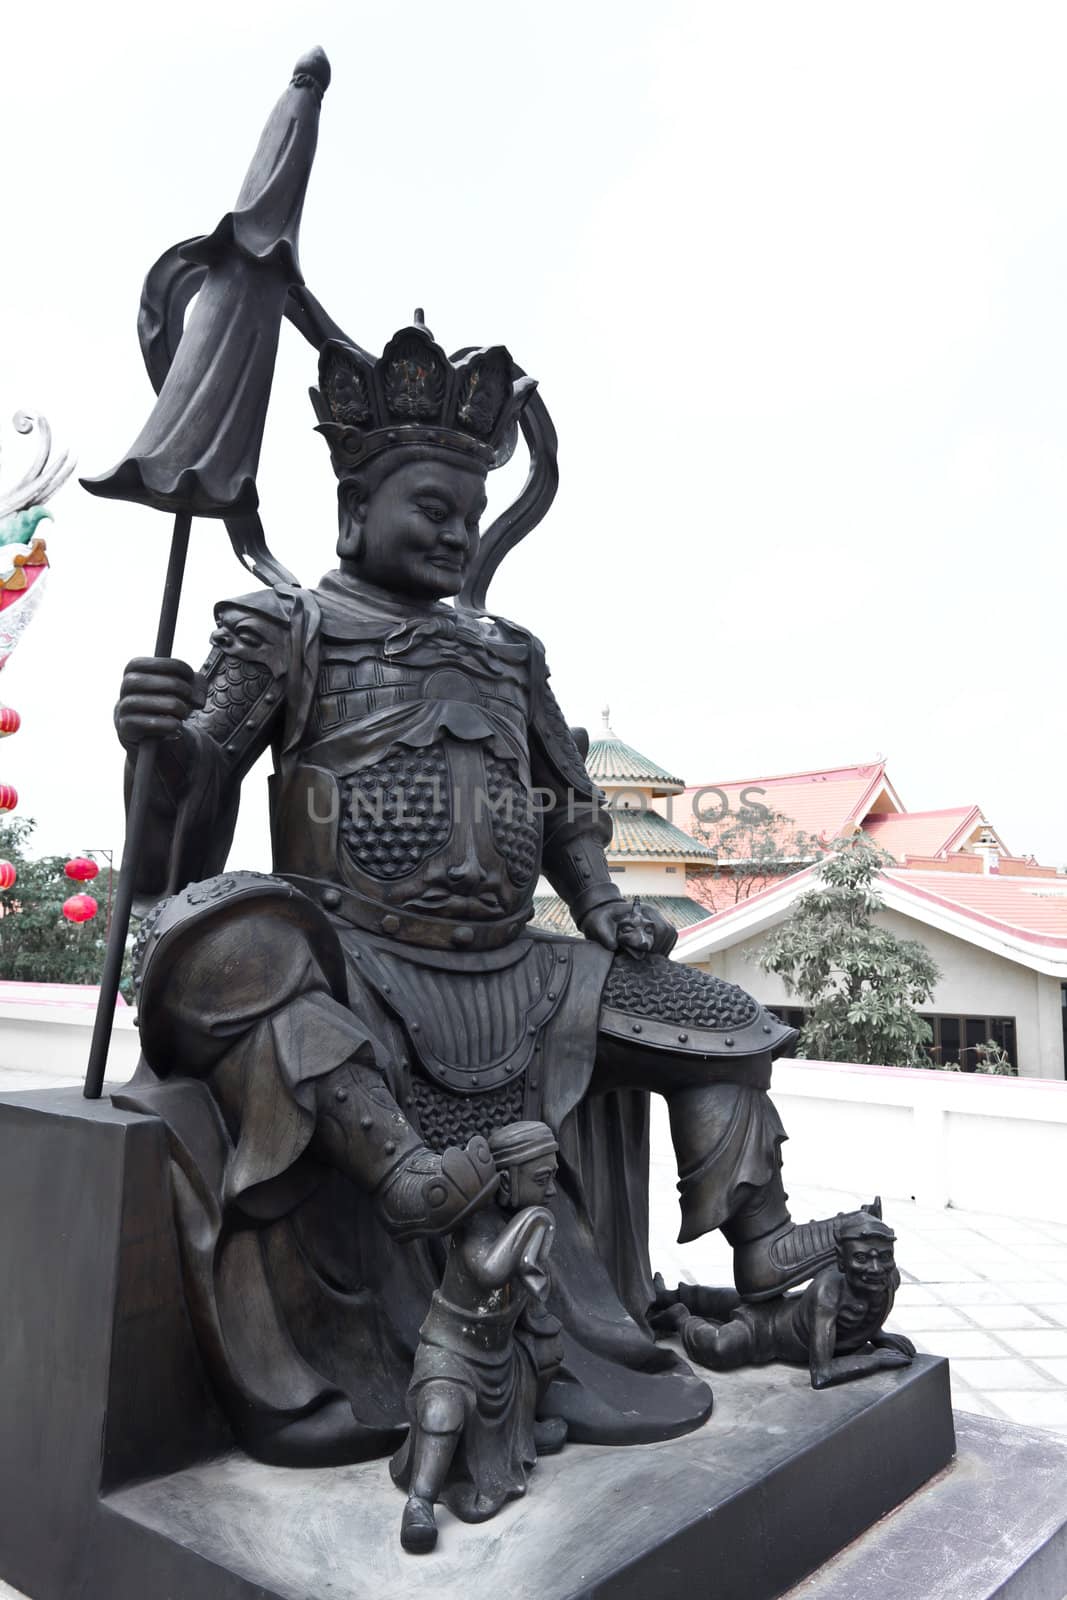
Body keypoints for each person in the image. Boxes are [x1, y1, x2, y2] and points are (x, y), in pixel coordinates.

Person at [115, 315, 848, 1463]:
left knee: (716, 1020)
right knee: (233, 941)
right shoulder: (286, 628)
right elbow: (194, 805)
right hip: (353, 954)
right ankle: (406, 1180)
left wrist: (600, 897)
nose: (457, 533)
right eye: (431, 509)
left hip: (517, 965)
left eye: (469, 512)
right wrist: (162, 753)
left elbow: (563, 798)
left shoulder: (508, 653)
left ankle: (760, 1249)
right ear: (356, 511)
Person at [391, 1120, 564, 1554]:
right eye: (542, 1180)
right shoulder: (477, 1224)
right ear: (506, 1182)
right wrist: (533, 1220)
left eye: (553, 1179)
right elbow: (490, 1271)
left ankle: (520, 1434)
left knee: (544, 1353)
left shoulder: (521, 1223)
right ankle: (421, 1502)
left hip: (500, 1354)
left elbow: (530, 1285)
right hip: (452, 1352)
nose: (552, 1192)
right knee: (442, 1413)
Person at [650, 1211, 916, 1390]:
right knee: (721, 1347)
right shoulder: (827, 1293)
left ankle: (671, 1296)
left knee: (734, 1301)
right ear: (841, 1261)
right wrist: (876, 1360)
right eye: (861, 1258)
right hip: (765, 1334)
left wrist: (878, 1335)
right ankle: (679, 1314)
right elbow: (822, 1374)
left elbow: (862, 1310)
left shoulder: (888, 1279)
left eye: (883, 1256)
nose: (875, 1268)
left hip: (786, 1306)